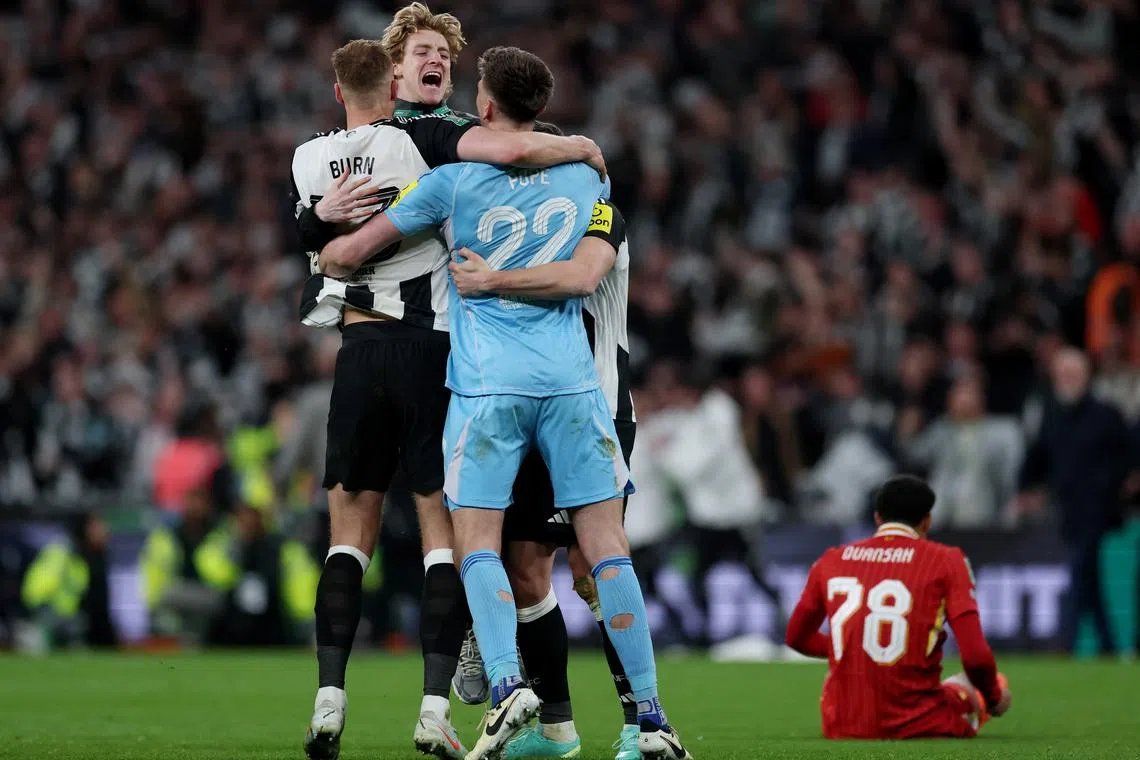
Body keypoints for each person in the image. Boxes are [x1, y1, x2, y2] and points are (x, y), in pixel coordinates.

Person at [318, 46, 691, 760]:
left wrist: (324, 234)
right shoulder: (587, 177)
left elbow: (348, 252)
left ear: (485, 107)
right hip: (575, 387)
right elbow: (585, 274)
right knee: (606, 554)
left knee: (476, 543)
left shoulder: (451, 182)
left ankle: (508, 687)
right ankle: (649, 720)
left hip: (491, 390)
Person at [447, 187, 640, 759]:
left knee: (590, 564)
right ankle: (556, 729)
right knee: (526, 568)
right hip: (533, 407)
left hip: (597, 410)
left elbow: (580, 277)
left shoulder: (601, 213)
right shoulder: (525, 226)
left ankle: (640, 721)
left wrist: (491, 279)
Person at [785, 475, 1013, 739]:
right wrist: (993, 696)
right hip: (921, 722)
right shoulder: (947, 561)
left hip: (843, 725)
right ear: (927, 521)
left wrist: (853, 647)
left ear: (877, 518)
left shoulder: (832, 560)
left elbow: (796, 637)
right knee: (987, 682)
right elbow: (975, 655)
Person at [1016, 347, 1132, 655]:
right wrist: (1025, 488)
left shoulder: (1106, 414)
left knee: (1080, 570)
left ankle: (1063, 641)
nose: (1067, 380)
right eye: (1063, 375)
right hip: (1067, 510)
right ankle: (1108, 646)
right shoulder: (1052, 416)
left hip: (1099, 509)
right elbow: (1037, 456)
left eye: (1073, 374)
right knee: (1090, 580)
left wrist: (1123, 484)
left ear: (1086, 377)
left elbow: (1129, 455)